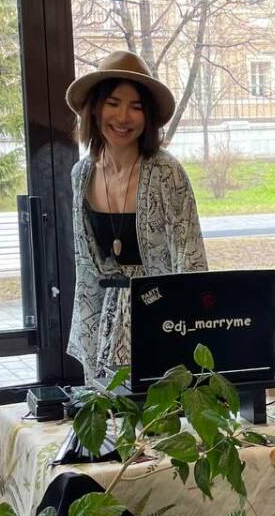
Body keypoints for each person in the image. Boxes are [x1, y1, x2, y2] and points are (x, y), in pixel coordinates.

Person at [65, 51, 207, 378]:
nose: (123, 117)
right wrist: (88, 346)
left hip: (163, 323)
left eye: (136, 107)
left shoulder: (166, 172)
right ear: (95, 108)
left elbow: (191, 262)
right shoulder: (82, 175)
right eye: (113, 103)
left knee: (159, 410)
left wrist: (189, 337)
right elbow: (86, 269)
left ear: (148, 117)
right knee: (106, 409)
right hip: (104, 328)